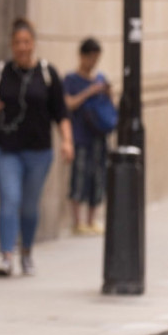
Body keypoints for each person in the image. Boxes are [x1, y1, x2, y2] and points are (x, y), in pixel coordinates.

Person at [0, 17, 73, 277]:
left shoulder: (47, 74)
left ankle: (27, 252)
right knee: (10, 200)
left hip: (39, 151)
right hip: (5, 149)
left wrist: (67, 141)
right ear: (11, 45)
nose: (22, 47)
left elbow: (61, 113)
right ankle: (7, 255)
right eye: (17, 43)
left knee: (29, 206)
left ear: (33, 44)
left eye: (26, 42)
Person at [63, 37, 112, 235]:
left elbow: (110, 106)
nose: (93, 62)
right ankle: (77, 221)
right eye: (90, 57)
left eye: (96, 58)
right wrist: (89, 92)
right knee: (80, 176)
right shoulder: (71, 80)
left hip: (98, 135)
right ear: (82, 56)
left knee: (98, 176)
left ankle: (92, 219)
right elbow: (68, 104)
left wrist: (107, 93)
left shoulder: (101, 78)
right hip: (80, 135)